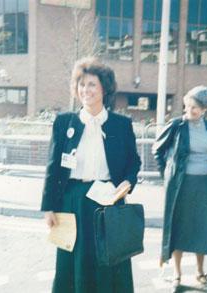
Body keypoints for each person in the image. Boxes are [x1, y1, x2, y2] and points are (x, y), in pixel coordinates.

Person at [41, 57, 141, 293]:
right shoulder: (64, 122)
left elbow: (133, 162)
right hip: (72, 202)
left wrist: (128, 182)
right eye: (81, 84)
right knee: (73, 265)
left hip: (108, 201)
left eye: (92, 84)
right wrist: (49, 207)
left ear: (104, 88)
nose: (86, 90)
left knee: (109, 261)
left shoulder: (121, 124)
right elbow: (53, 166)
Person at [152, 86, 207, 291]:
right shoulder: (177, 125)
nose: (189, 111)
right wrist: (166, 175)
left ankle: (200, 272)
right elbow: (158, 150)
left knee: (201, 228)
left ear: (204, 109)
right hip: (182, 184)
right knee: (180, 227)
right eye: (187, 106)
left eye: (195, 107)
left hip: (206, 184)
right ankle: (177, 273)